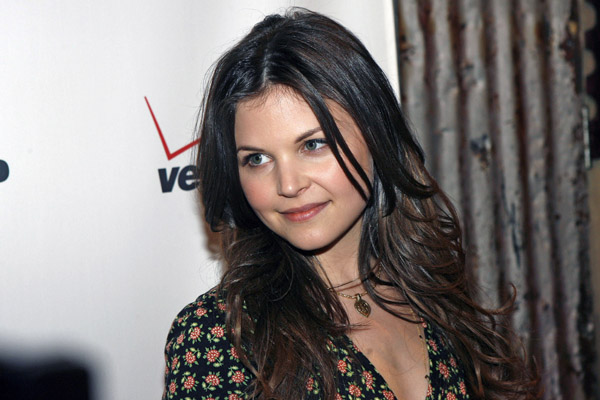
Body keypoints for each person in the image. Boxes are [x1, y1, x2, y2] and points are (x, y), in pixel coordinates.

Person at [162, 8, 538, 400]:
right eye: (257, 159)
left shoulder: (432, 290)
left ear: (375, 134)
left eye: (313, 144)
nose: (288, 185)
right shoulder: (219, 338)